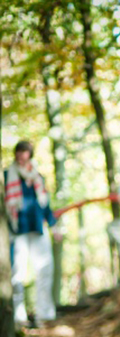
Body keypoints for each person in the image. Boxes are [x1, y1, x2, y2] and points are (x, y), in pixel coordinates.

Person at [4, 140, 61, 327]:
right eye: (19, 152)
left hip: (38, 228)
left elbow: (44, 205)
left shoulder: (37, 176)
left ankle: (43, 313)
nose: (21, 156)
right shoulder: (7, 176)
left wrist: (54, 226)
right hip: (17, 230)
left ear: (30, 154)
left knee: (45, 269)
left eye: (25, 152)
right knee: (17, 273)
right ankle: (18, 316)